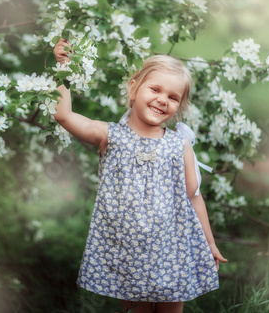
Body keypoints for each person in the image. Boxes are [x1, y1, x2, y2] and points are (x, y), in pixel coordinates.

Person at [53, 38, 227, 313]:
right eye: (155, 89)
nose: (162, 99)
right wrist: (63, 67)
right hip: (129, 251)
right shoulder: (110, 135)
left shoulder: (178, 145)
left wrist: (209, 242)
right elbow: (64, 116)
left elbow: (194, 196)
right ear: (134, 88)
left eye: (172, 97)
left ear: (178, 106)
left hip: (173, 249)